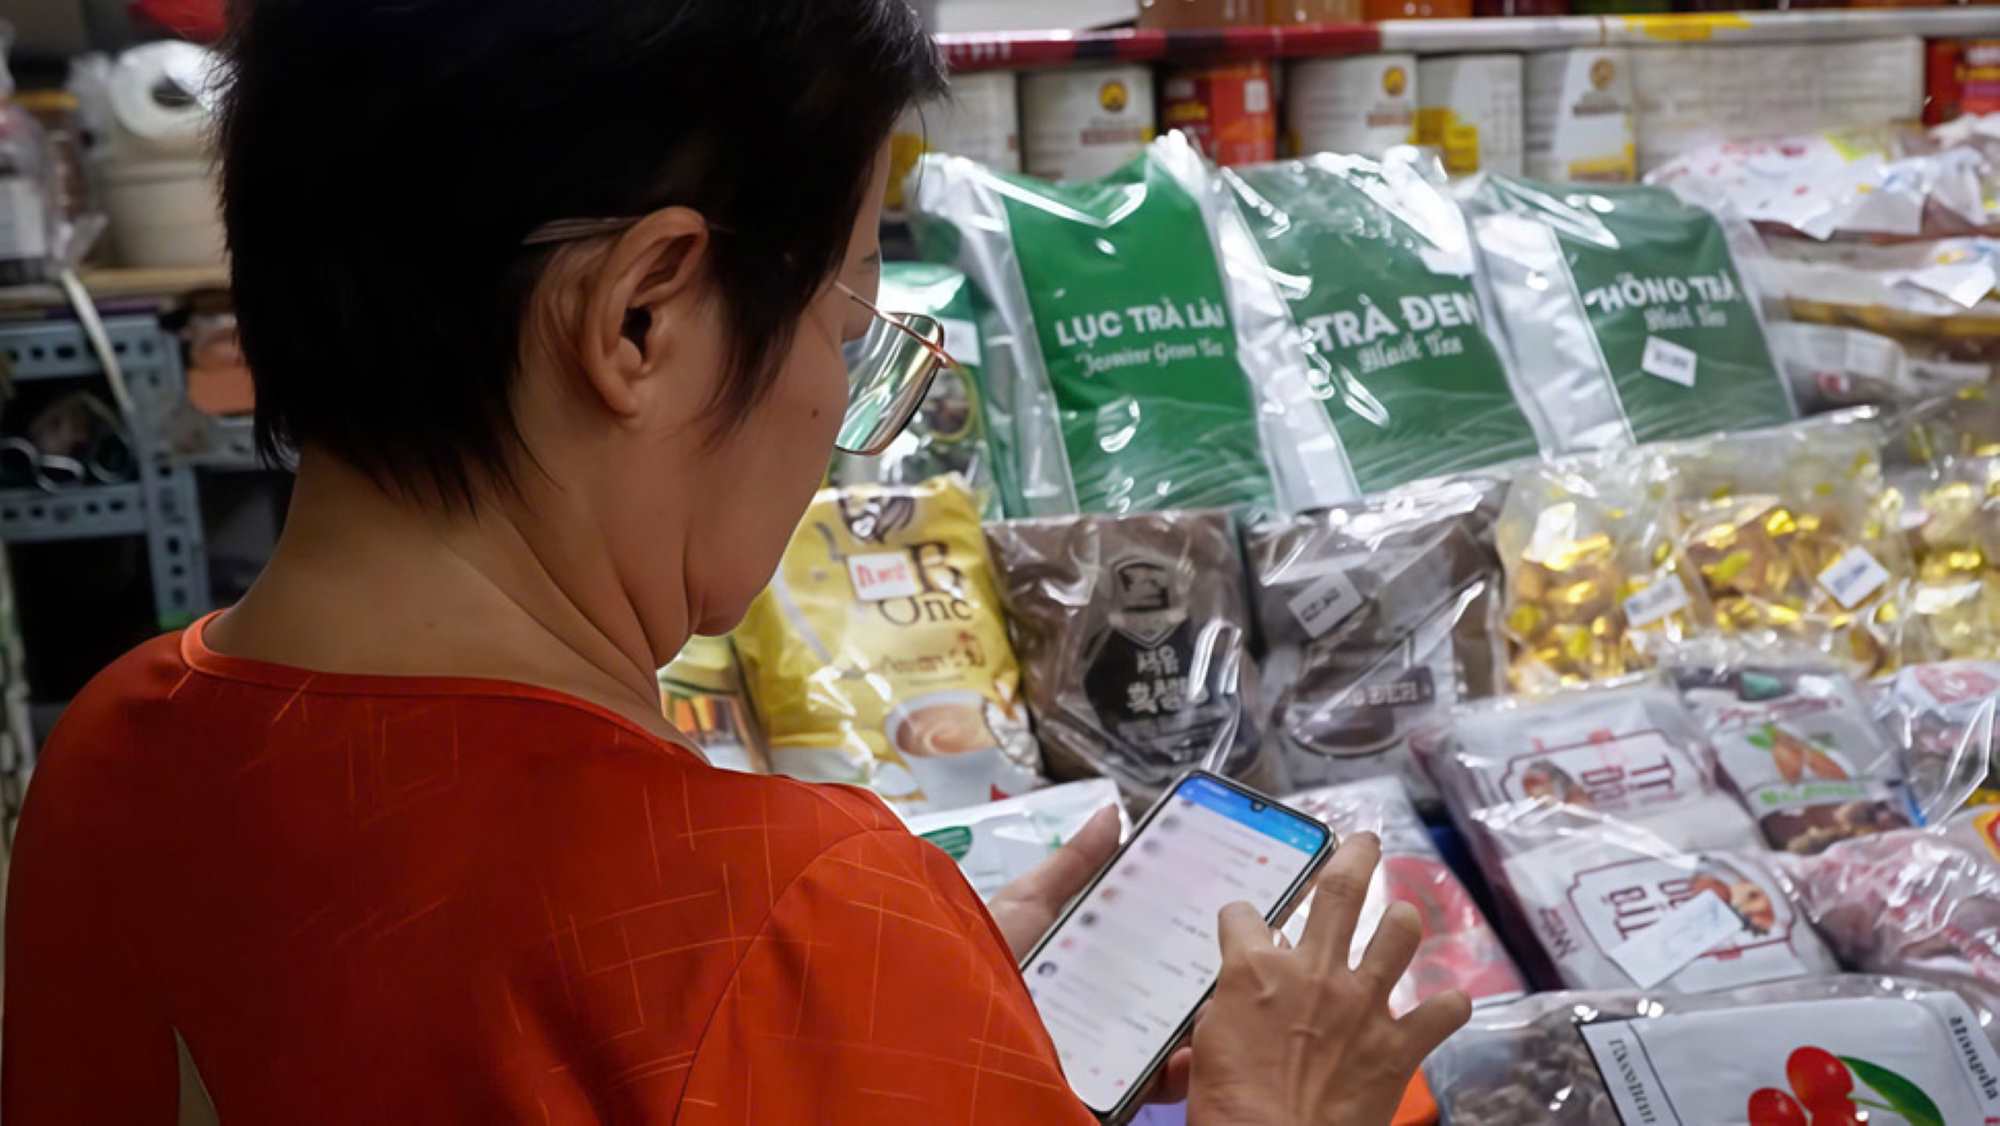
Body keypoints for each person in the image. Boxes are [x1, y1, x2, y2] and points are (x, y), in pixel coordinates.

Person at [1, 2, 1469, 1122]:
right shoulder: (784, 918)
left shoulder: (107, 756)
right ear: (642, 319)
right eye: (848, 326)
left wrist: (917, 1017)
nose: (839, 402)